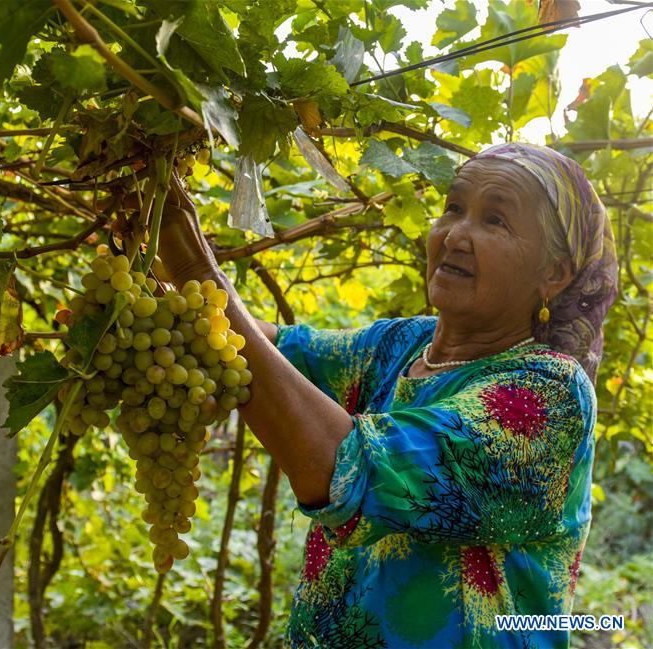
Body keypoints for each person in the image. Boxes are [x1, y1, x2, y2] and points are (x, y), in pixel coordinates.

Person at [155, 142, 618, 648]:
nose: (457, 235)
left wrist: (200, 274)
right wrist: (162, 284)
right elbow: (277, 351)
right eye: (454, 208)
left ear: (555, 273)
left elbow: (343, 468)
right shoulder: (400, 344)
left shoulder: (548, 395)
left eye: (495, 221)